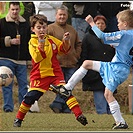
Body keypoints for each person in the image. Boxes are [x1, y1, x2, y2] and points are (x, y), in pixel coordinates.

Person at [50, 9, 133, 129]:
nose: (117, 24)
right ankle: (67, 88)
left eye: (119, 22)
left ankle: (121, 122)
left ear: (125, 24)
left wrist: (91, 22)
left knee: (108, 95)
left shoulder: (123, 34)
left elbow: (101, 36)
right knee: (87, 64)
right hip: (118, 68)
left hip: (116, 69)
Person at [13, 14, 88, 127]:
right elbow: (37, 58)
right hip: (39, 75)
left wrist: (66, 41)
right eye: (39, 27)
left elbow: (63, 50)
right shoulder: (32, 42)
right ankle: (18, 119)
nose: (42, 30)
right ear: (33, 29)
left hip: (55, 74)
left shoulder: (51, 40)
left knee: (65, 92)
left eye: (44, 27)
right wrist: (41, 45)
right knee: (30, 97)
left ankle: (79, 115)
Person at [48, 5, 81, 113]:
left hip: (71, 63)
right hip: (57, 63)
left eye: (64, 15)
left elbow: (78, 43)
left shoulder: (72, 29)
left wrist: (76, 55)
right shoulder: (50, 28)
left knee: (69, 86)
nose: (62, 17)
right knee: (61, 86)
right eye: (60, 15)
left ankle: (62, 106)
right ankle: (60, 105)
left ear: (67, 16)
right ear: (56, 15)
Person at [79, 15, 115, 114]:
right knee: (100, 102)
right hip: (95, 74)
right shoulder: (87, 37)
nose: (100, 25)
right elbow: (84, 54)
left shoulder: (110, 37)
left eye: (102, 23)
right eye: (97, 23)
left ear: (105, 25)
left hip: (109, 73)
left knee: (110, 102)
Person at [0, 2, 31, 112]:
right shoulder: (2, 23)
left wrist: (29, 59)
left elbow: (28, 43)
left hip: (22, 60)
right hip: (5, 59)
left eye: (17, 9)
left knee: (24, 85)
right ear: (9, 9)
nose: (15, 12)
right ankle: (8, 108)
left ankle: (23, 109)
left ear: (19, 9)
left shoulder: (26, 24)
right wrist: (8, 41)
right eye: (13, 9)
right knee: (7, 85)